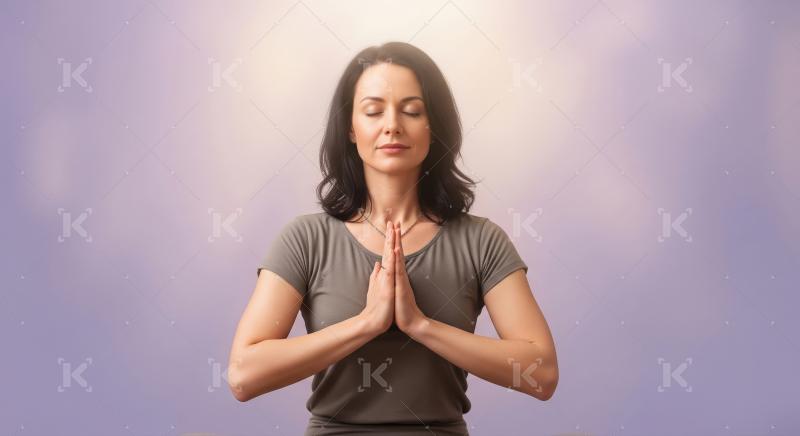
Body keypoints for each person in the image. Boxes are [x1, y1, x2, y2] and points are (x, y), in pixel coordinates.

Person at [227, 41, 558, 435]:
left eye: (412, 110)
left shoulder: (481, 241)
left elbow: (542, 375)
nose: (392, 125)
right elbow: (243, 377)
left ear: (433, 126)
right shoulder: (305, 239)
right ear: (351, 127)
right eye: (373, 110)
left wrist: (420, 325)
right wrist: (366, 324)